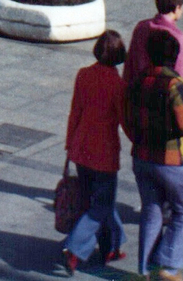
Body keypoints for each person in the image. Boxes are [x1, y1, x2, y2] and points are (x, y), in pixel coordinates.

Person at [124, 28, 183, 279]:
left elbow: (128, 117)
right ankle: (167, 266)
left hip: (141, 156)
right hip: (171, 160)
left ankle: (145, 269)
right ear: (174, 57)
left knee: (151, 210)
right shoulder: (174, 84)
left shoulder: (138, 80)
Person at [60, 28, 129, 274]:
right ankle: (75, 248)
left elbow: (75, 112)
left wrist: (70, 145)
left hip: (81, 149)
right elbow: (124, 120)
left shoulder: (83, 75)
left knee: (98, 201)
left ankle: (113, 246)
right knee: (102, 204)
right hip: (104, 155)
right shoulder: (118, 85)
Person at [123, 0, 183, 97]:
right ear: (177, 8)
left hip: (139, 94)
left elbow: (130, 66)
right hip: (165, 98)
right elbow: (181, 74)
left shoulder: (141, 27)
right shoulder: (179, 38)